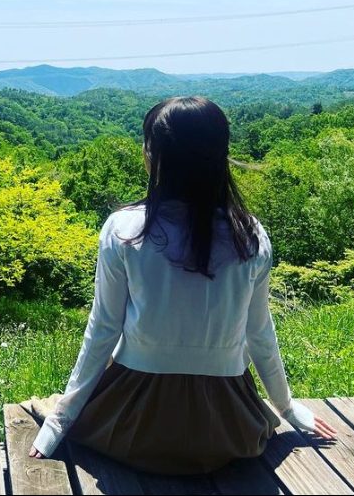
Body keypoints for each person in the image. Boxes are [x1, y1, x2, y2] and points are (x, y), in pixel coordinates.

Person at [29, 96, 336, 475]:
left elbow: (103, 330)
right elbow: (259, 333)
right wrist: (287, 408)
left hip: (133, 425)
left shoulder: (125, 231)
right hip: (231, 430)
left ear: (155, 156)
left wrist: (59, 420)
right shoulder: (250, 235)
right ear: (219, 156)